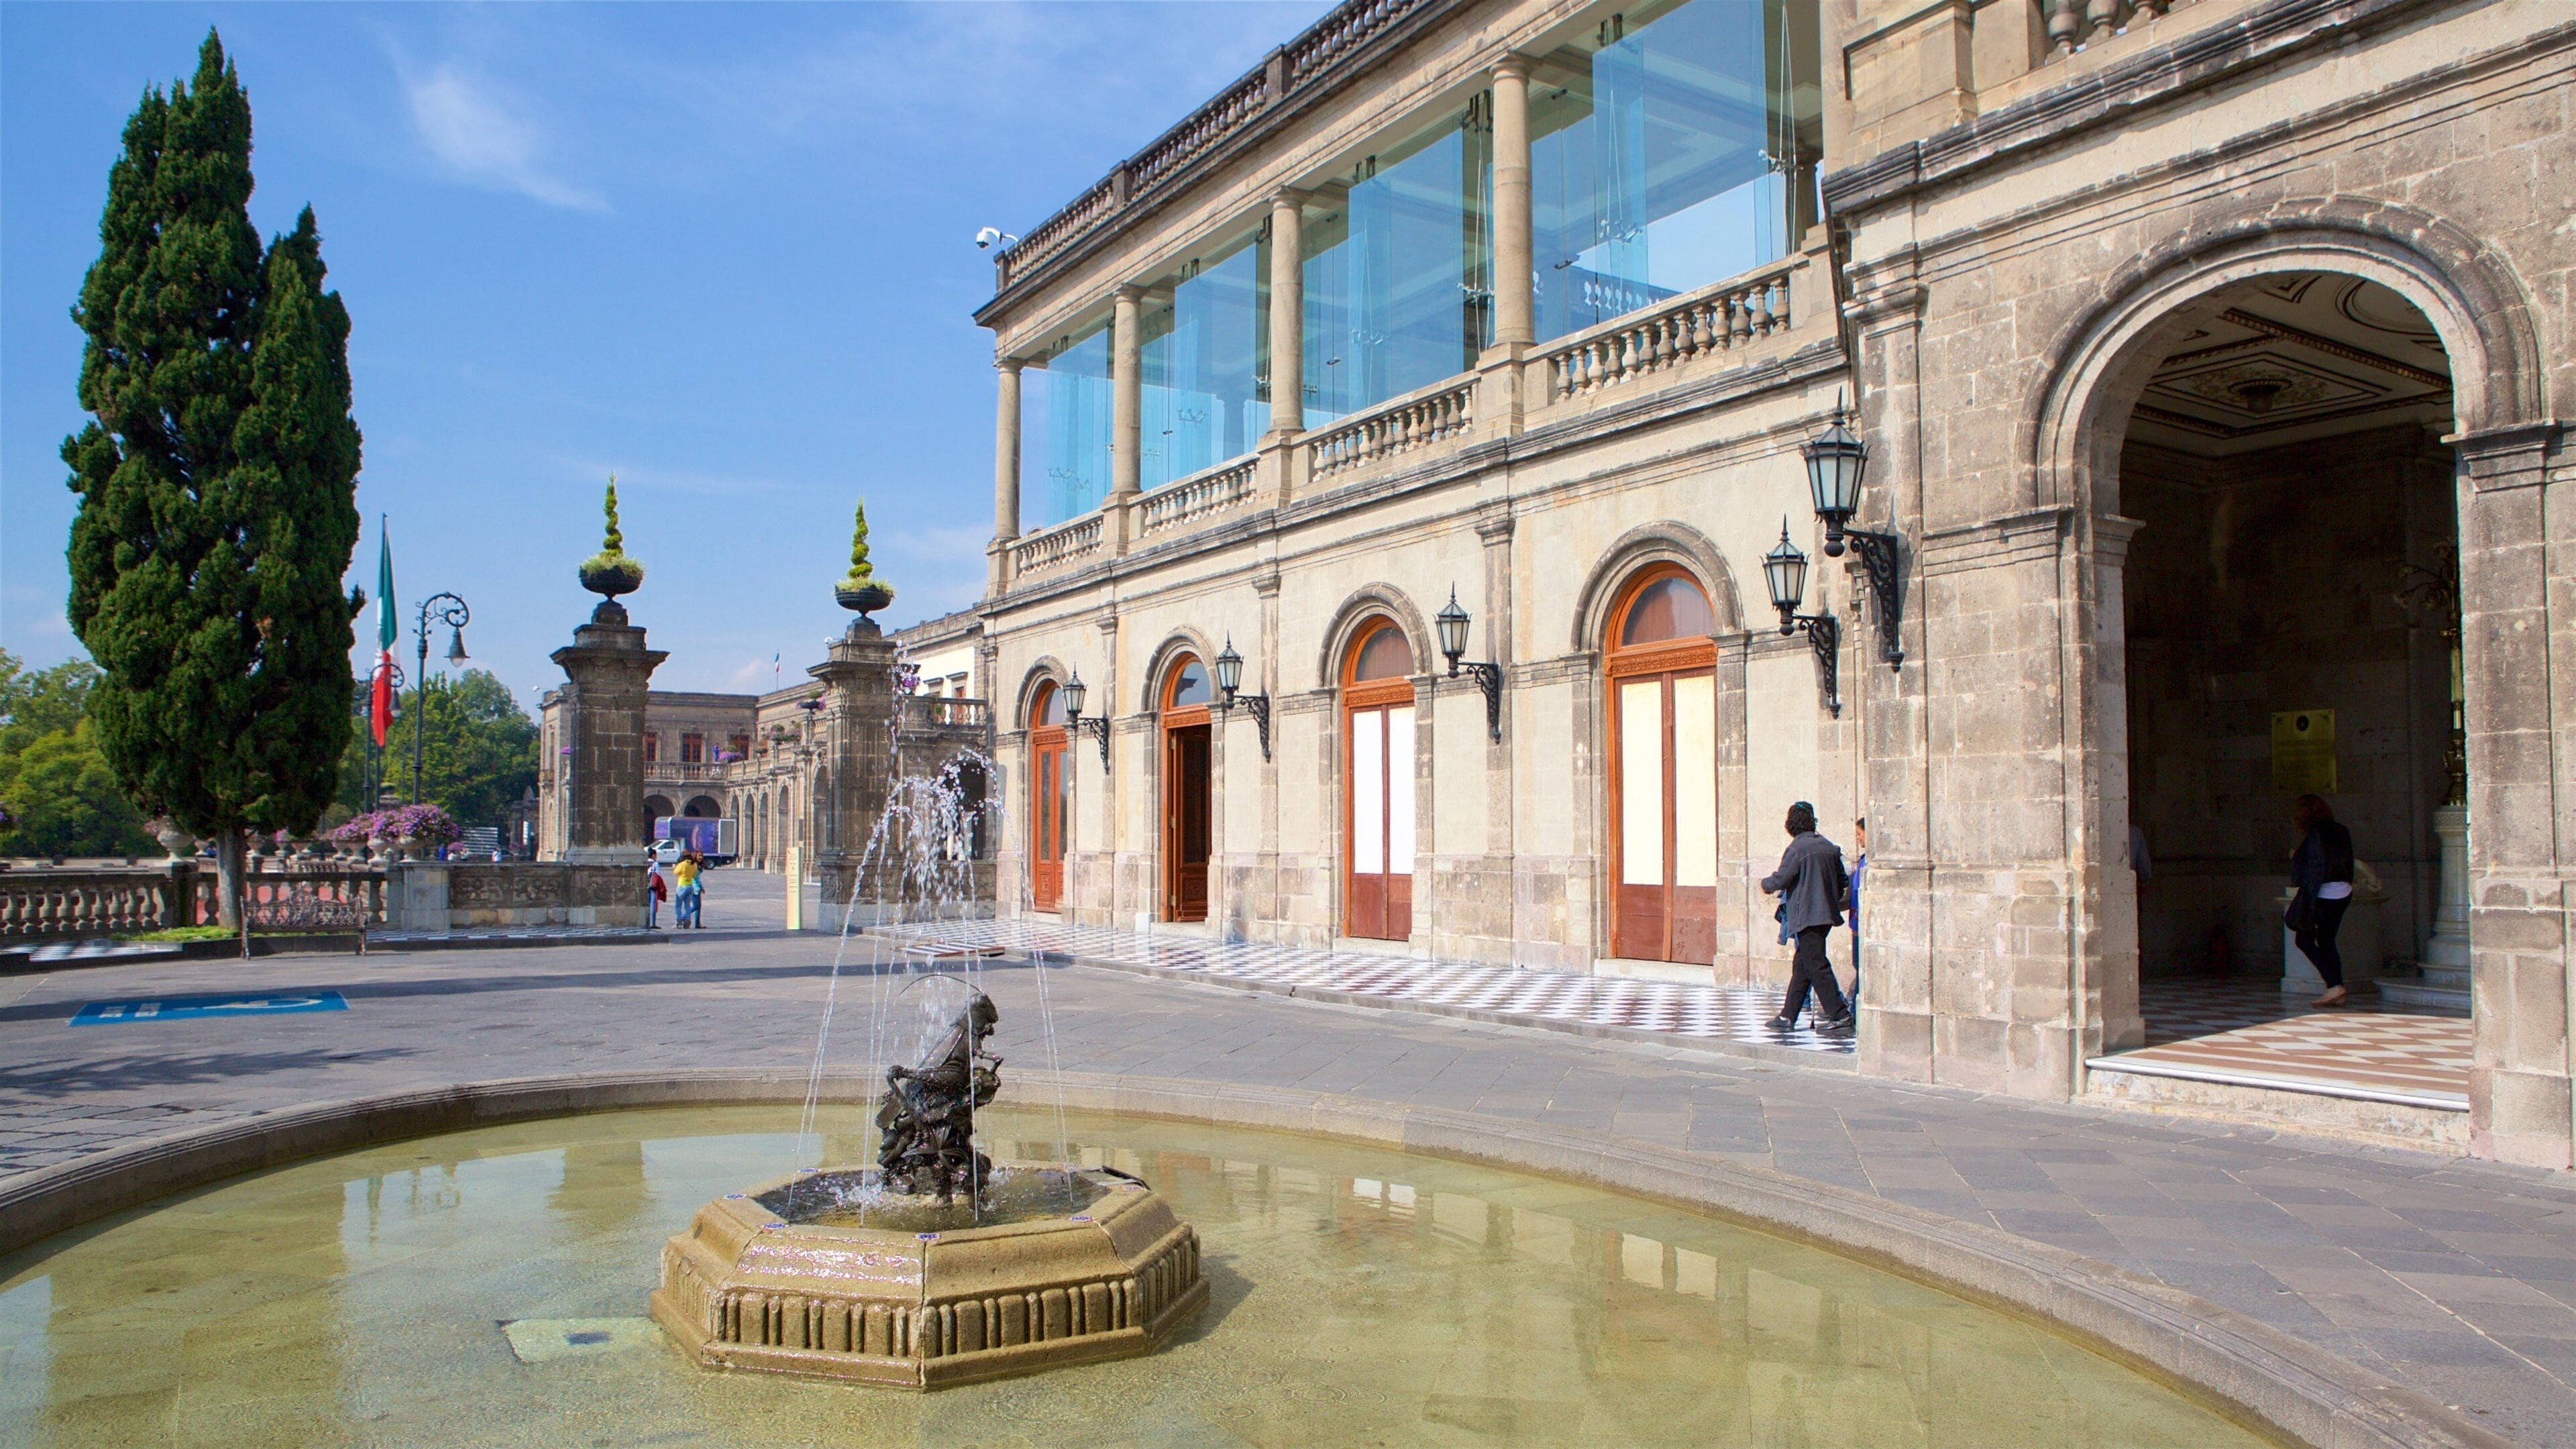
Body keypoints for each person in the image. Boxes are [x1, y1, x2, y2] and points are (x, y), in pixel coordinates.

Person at [1762, 801, 1851, 1031]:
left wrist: (1765, 884)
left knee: (1816, 965)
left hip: (1807, 916)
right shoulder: (1829, 847)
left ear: (1791, 824)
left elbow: (1781, 879)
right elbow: (1843, 882)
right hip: (1826, 916)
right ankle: (1787, 1017)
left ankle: (1840, 1015)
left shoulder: (1796, 849)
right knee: (1803, 964)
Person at [2287, 794, 2356, 1006]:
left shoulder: (2316, 834)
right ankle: (2336, 988)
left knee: (2304, 939)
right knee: (2327, 940)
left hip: (2325, 893)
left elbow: (2314, 868)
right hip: (2343, 891)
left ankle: (2334, 985)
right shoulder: (2341, 830)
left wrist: (2296, 858)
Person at [1845, 818, 1867, 1006]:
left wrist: (1857, 922)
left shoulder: (1867, 862)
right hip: (1855, 920)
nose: (1858, 838)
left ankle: (1853, 1007)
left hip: (1860, 921)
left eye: (1860, 834)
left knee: (1861, 965)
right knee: (1857, 964)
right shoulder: (1862, 861)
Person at [673, 849, 702, 929]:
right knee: (688, 906)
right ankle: (687, 921)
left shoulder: (683, 864)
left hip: (682, 886)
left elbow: (675, 872)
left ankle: (679, 921)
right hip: (690, 886)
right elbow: (694, 876)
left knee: (678, 906)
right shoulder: (694, 865)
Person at [645, 861, 668, 930]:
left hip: (645, 885)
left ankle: (646, 923)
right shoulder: (655, 864)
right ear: (654, 855)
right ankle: (653, 923)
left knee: (646, 905)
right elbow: (660, 874)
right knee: (653, 905)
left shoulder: (644, 861)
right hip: (653, 886)